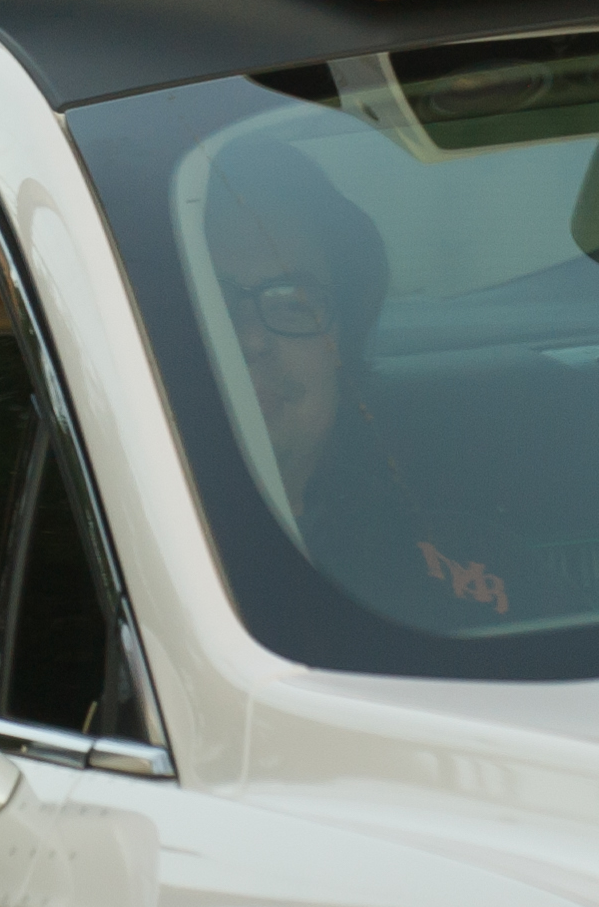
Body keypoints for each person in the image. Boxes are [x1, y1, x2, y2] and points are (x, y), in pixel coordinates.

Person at [203, 133, 524, 625]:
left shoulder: (465, 568)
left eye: (292, 301)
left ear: (340, 347)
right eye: (210, 299)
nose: (250, 340)